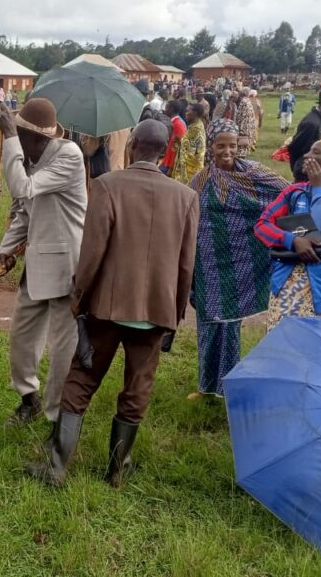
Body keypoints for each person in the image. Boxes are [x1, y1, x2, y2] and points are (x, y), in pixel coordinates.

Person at [26, 121, 198, 488]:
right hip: (155, 311)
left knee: (82, 380)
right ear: (164, 150)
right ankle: (118, 469)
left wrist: (79, 301)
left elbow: (92, 254)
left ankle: (57, 466)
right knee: (137, 388)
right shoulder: (185, 197)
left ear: (133, 145)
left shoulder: (106, 186)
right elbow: (186, 265)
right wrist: (175, 315)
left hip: (106, 306)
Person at [0, 98, 87, 427]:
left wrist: (7, 139)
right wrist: (6, 250)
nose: (16, 138)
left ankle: (55, 417)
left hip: (66, 267)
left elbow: (22, 187)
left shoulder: (69, 156)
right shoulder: (30, 157)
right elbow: (24, 210)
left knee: (63, 345)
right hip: (35, 264)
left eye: (19, 134)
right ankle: (28, 399)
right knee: (21, 337)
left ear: (36, 138)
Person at [188, 119, 287, 399]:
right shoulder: (200, 179)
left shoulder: (255, 173)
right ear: (211, 146)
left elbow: (285, 195)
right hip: (208, 261)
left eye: (233, 145)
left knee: (229, 323)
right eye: (221, 145)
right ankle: (206, 385)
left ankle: (226, 386)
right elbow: (187, 212)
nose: (228, 151)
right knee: (208, 322)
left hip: (244, 257)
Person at [255, 138, 321, 328]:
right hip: (287, 285)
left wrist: (319, 188)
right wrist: (292, 240)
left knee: (319, 350)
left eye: (316, 152)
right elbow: (262, 225)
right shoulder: (294, 192)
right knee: (283, 348)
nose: (307, 155)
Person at [287, 87, 321, 179]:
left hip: (313, 170)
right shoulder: (311, 123)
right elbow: (295, 147)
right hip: (305, 172)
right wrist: (298, 169)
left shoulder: (319, 120)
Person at [179, 103, 207, 182]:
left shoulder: (196, 131)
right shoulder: (193, 127)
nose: (185, 113)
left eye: (187, 111)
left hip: (190, 174)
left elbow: (196, 156)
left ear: (195, 113)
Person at [160, 99, 187, 175]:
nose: (165, 110)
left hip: (169, 164)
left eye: (166, 107)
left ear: (171, 109)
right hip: (166, 161)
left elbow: (178, 148)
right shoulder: (174, 122)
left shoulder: (178, 125)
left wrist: (171, 168)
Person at [234, 88, 257, 157]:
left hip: (243, 128)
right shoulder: (248, 101)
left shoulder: (243, 102)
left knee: (241, 146)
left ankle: (240, 161)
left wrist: (236, 126)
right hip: (249, 127)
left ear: (242, 93)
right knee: (245, 146)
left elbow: (239, 116)